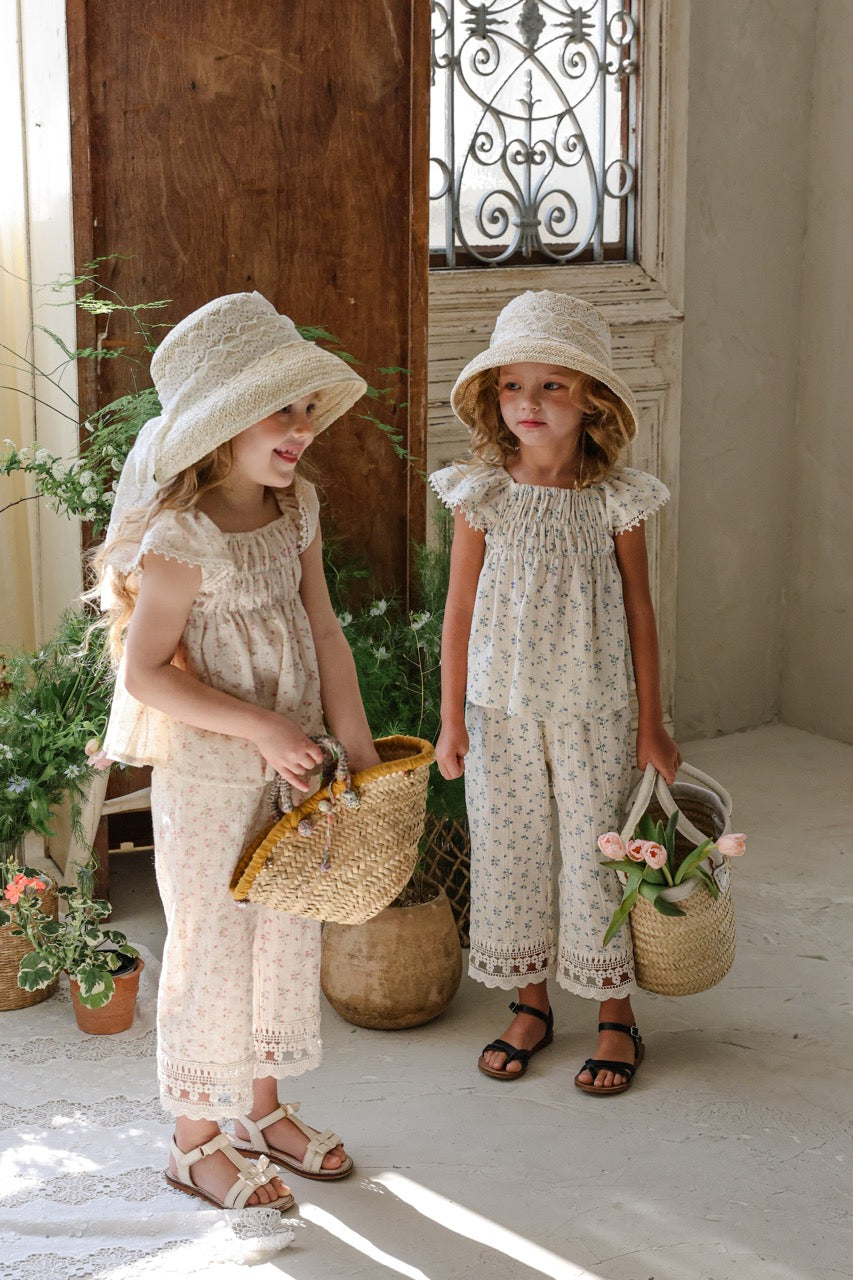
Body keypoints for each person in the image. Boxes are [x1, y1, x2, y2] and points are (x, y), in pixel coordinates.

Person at [96, 291, 381, 1209]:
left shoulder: (295, 510)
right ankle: (193, 1141)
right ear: (219, 427)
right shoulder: (183, 539)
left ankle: (260, 1110)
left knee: (285, 935)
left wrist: (359, 750)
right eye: (277, 410)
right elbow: (147, 673)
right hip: (215, 778)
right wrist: (262, 727)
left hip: (296, 769)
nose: (302, 428)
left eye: (306, 407)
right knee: (214, 947)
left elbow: (324, 629)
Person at [431, 290, 681, 1096]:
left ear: (591, 401)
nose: (527, 403)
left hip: (595, 709)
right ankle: (529, 1004)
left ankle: (614, 1013)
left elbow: (639, 611)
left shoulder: (615, 499)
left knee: (597, 856)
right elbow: (458, 609)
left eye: (552, 386)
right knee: (509, 855)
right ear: (493, 397)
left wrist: (651, 724)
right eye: (511, 385)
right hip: (496, 711)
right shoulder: (481, 494)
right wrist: (449, 719)